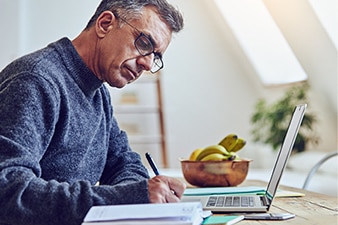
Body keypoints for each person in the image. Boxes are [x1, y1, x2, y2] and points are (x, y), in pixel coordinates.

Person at [0, 1, 185, 225]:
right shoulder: (35, 81)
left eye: (155, 56)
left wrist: (137, 195)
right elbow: (8, 191)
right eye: (144, 43)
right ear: (105, 24)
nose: (147, 64)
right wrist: (126, 199)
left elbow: (125, 164)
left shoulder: (98, 92)